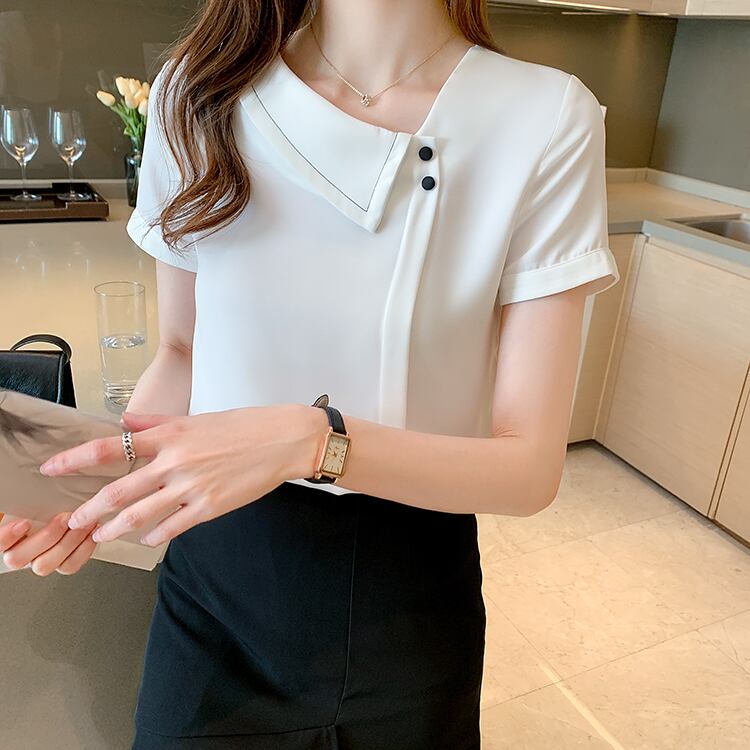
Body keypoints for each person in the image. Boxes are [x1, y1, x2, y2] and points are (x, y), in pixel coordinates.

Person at [0, 0, 620, 747]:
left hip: (409, 599)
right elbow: (183, 351)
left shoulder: (544, 116)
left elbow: (529, 469)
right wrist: (93, 493)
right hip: (216, 588)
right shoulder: (197, 92)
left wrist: (309, 439)